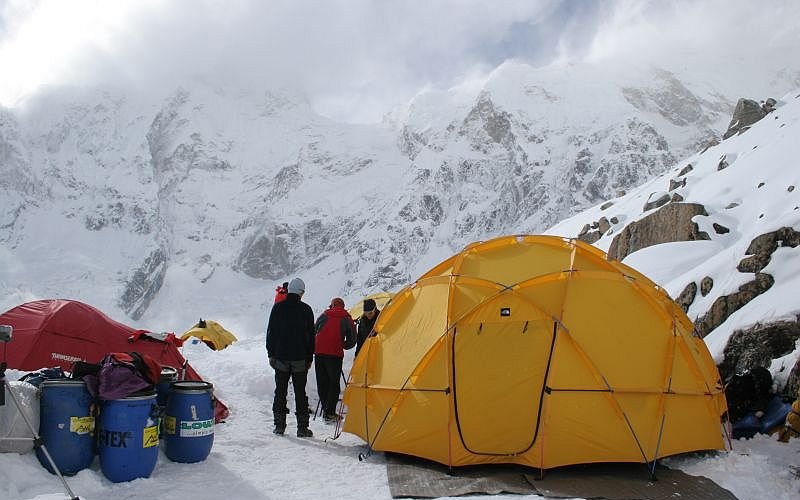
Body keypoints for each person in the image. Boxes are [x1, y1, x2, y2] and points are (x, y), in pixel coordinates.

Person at [266, 277, 315, 437]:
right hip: (300, 358)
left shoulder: (278, 308)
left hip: (280, 357)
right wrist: (309, 357)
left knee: (280, 391)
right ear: (300, 292)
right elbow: (311, 336)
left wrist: (271, 354)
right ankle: (302, 428)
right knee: (300, 392)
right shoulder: (306, 310)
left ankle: (279, 426)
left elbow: (271, 332)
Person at [314, 297, 356, 422]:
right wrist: (343, 345)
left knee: (322, 382)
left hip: (319, 352)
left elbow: (314, 329)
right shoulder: (346, 318)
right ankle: (329, 413)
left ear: (332, 305)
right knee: (333, 383)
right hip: (334, 354)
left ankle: (326, 410)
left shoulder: (324, 315)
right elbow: (352, 339)